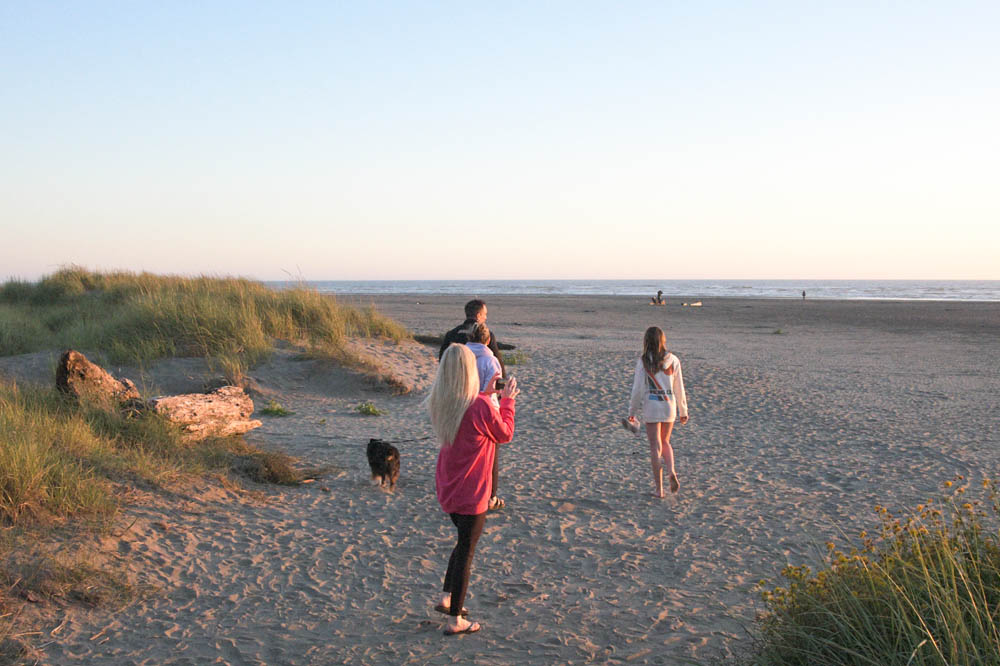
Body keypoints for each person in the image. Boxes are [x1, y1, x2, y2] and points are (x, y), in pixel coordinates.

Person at [426, 344, 519, 635]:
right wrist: (507, 402)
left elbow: (471, 415)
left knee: (462, 541)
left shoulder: (443, 401)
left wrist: (490, 393)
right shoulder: (477, 406)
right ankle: (456, 620)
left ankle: (446, 597)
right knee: (467, 550)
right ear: (468, 372)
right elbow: (504, 434)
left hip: (449, 486)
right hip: (472, 489)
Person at [439, 300, 507, 511]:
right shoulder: (486, 337)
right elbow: (498, 369)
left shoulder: (452, 335)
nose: (486, 317)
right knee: (488, 452)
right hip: (481, 404)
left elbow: (442, 362)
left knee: (456, 447)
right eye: (485, 314)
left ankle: (456, 487)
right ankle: (491, 496)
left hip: (454, 401)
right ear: (478, 315)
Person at [623, 326, 689, 497]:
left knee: (654, 446)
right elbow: (679, 387)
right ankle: (671, 471)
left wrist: (632, 410)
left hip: (652, 406)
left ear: (646, 342)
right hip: (669, 406)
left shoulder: (644, 361)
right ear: (663, 341)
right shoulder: (673, 360)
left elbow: (637, 389)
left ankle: (659, 490)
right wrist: (683, 410)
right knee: (665, 442)